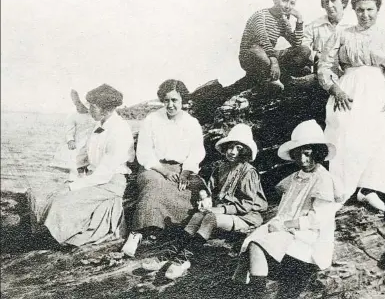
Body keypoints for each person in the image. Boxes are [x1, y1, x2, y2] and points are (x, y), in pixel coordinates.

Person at [317, 0, 385, 211]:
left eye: (370, 10)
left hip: (379, 88)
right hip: (348, 89)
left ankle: (370, 188)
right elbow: (325, 66)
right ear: (353, 10)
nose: (365, 15)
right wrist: (334, 89)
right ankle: (343, 190)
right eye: (360, 10)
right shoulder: (341, 34)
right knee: (346, 130)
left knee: (382, 127)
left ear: (378, 9)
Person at [232, 120, 341, 298]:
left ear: (318, 153)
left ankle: (257, 294)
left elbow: (318, 219)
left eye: (307, 154)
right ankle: (246, 291)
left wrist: (286, 226)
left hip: (309, 237)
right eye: (298, 155)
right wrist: (277, 223)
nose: (303, 160)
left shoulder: (323, 179)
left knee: (256, 246)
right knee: (250, 245)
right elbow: (285, 208)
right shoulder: (295, 177)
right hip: (288, 229)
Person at [27, 84, 135, 247]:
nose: (88, 109)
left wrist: (73, 186)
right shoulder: (99, 125)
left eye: (93, 106)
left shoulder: (119, 130)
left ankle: (55, 237)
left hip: (110, 182)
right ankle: (46, 231)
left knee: (62, 201)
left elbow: (105, 173)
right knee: (50, 193)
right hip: (94, 178)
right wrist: (72, 175)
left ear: (105, 109)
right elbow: (84, 155)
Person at [121, 79, 206, 257]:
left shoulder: (192, 123)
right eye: (166, 100)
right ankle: (137, 233)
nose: (170, 105)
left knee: (189, 191)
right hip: (154, 167)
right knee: (154, 184)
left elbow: (196, 153)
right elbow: (144, 153)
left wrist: (185, 173)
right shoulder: (151, 120)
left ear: (183, 100)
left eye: (174, 100)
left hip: (182, 169)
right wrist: (164, 171)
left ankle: (166, 229)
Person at [174, 124, 268, 257]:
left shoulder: (248, 172)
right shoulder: (221, 168)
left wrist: (220, 210)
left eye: (238, 149)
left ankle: (184, 257)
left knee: (210, 218)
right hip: (224, 212)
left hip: (246, 216)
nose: (233, 152)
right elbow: (212, 191)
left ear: (245, 151)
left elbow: (246, 204)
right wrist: (206, 200)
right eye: (230, 147)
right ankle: (172, 252)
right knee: (197, 215)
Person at [239, 0, 311, 91]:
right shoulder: (261, 15)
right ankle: (273, 78)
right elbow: (262, 39)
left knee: (304, 50)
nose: (287, 6)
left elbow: (296, 44)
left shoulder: (283, 21)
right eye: (284, 0)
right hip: (252, 55)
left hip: (269, 55)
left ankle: (279, 76)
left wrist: (299, 20)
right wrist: (274, 61)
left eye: (292, 3)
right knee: (256, 49)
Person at [290, 0, 350, 87]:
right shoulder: (315, 26)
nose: (329, 5)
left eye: (333, 0)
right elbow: (302, 47)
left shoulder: (352, 27)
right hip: (319, 76)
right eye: (326, 2)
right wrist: (316, 56)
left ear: (343, 3)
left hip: (345, 79)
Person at [50, 89, 95, 181]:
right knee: (76, 160)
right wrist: (70, 140)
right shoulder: (73, 115)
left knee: (89, 160)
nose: (77, 106)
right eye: (76, 104)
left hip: (90, 141)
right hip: (78, 141)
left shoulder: (92, 116)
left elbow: (97, 126)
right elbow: (69, 130)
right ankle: (77, 177)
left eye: (80, 105)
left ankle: (88, 177)